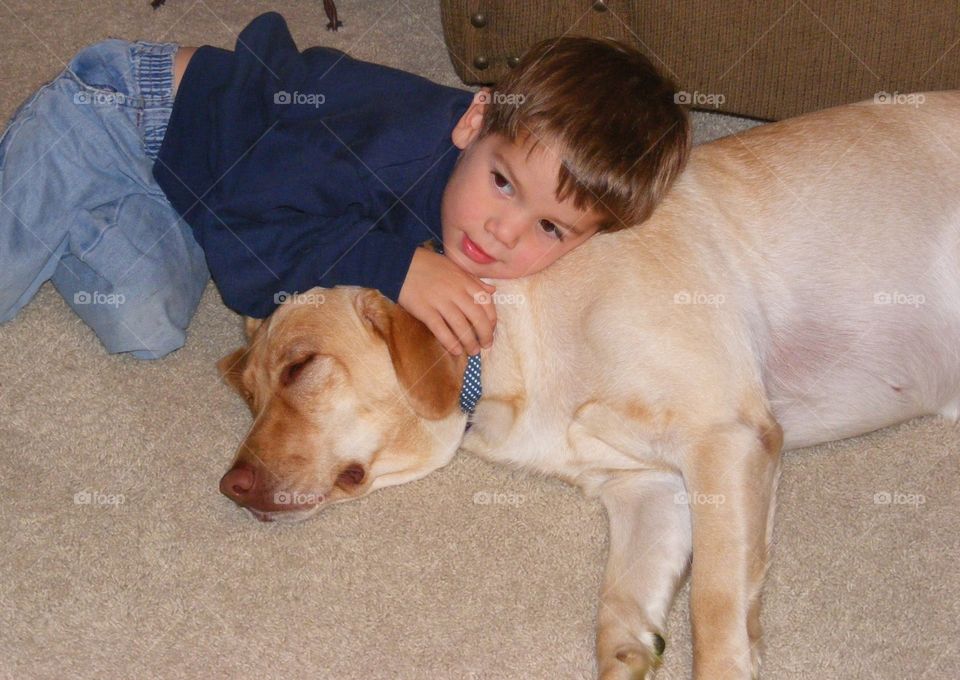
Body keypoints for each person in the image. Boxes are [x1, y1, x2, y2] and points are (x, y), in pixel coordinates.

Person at [0, 12, 690, 360]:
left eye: (550, 229)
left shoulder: (475, 191)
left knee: (143, 329)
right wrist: (394, 264)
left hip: (189, 192)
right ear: (475, 121)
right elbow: (249, 262)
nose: (502, 232)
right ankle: (41, 159)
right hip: (124, 114)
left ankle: (67, 206)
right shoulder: (386, 147)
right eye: (504, 184)